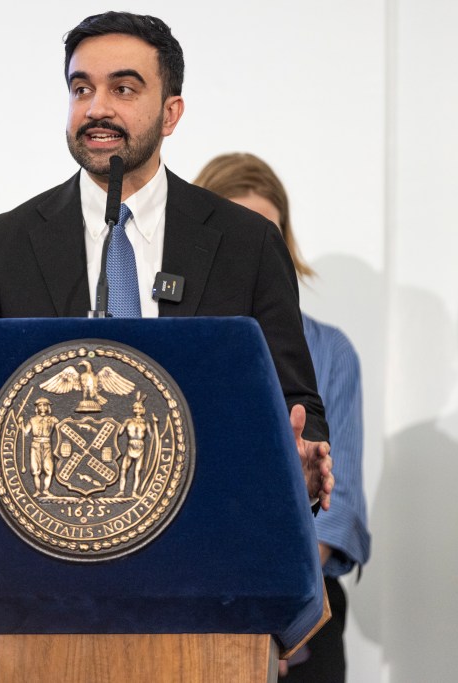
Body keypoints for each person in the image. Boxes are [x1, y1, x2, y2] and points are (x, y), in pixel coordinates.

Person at [0, 11, 333, 508]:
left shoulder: (246, 244)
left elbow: (296, 402)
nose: (96, 109)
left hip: (205, 533)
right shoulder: (5, 245)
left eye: (123, 90)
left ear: (171, 114)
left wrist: (299, 466)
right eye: (81, 89)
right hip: (47, 546)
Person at [195, 153, 371, 682]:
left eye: (265, 235)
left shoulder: (330, 350)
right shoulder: (168, 347)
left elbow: (334, 506)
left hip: (300, 610)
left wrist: (272, 607)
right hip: (185, 607)